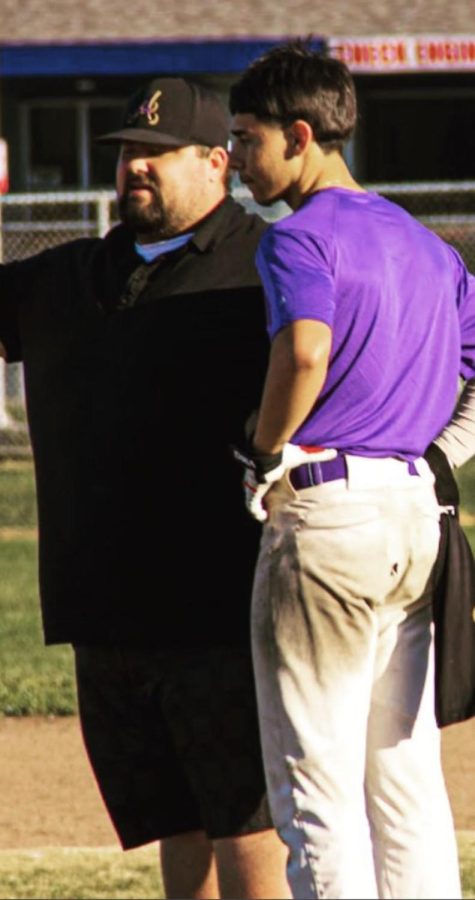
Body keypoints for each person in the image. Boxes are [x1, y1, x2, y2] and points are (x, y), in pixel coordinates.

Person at [0, 77, 290, 900]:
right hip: (106, 613)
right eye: (127, 153)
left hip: (221, 610)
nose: (135, 168)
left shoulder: (267, 266)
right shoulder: (69, 276)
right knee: (176, 822)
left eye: (156, 154)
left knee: (248, 824)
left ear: (216, 162)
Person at [228, 40, 475, 900]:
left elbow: (303, 351)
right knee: (401, 782)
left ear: (300, 136)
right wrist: (438, 456)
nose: (238, 160)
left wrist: (262, 451)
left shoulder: (297, 237)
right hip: (414, 515)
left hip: (328, 518)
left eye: (249, 139)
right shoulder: (428, 248)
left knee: (315, 789)